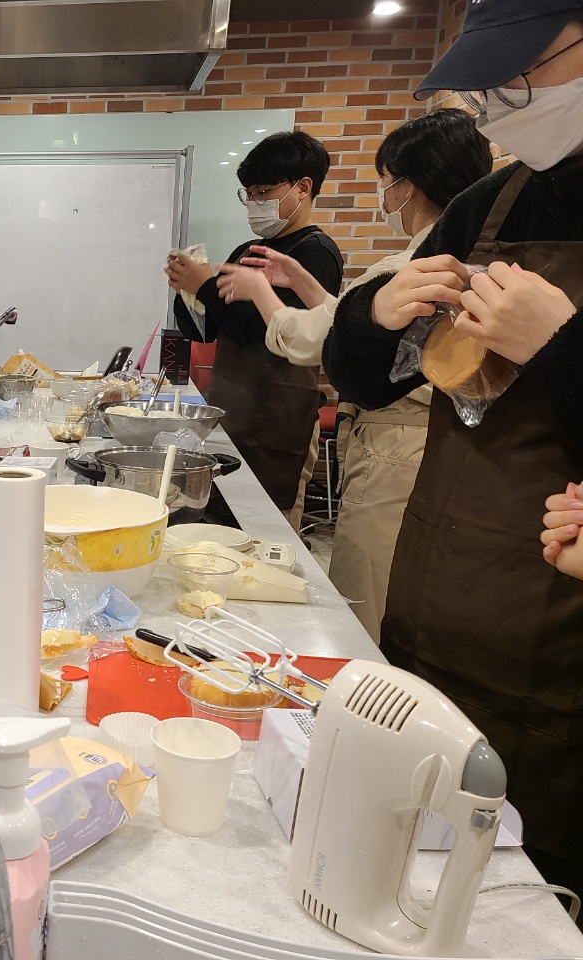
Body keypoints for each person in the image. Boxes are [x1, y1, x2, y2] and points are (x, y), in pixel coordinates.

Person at [324, 0, 583, 895]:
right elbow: (366, 379)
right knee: (414, 869)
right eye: (487, 79)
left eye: (521, 70)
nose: (498, 97)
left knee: (529, 896)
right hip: (437, 614)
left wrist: (559, 345)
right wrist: (373, 315)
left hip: (561, 663)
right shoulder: (489, 205)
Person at [214, 110, 493, 641]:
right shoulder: (459, 256)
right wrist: (299, 283)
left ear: (408, 186)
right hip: (410, 442)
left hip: (393, 445)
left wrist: (260, 292)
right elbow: (353, 322)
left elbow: (319, 339)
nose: (384, 197)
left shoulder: (417, 266)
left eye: (386, 182)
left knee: (365, 595)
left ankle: (360, 683)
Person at [165, 131, 344, 526]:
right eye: (249, 194)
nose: (255, 203)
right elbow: (207, 332)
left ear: (303, 188)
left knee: (267, 526)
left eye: (264, 192)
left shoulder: (316, 252)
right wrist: (188, 291)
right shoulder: (248, 251)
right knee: (223, 520)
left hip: (279, 418)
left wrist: (204, 287)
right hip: (234, 410)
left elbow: (268, 336)